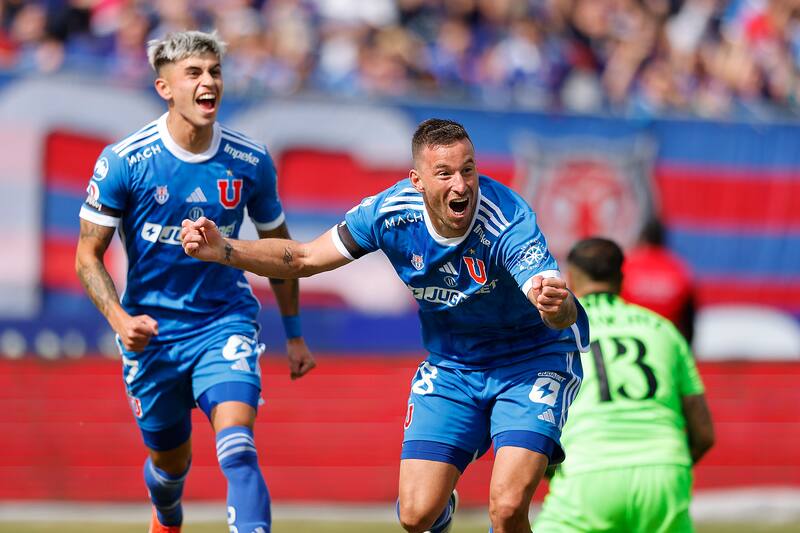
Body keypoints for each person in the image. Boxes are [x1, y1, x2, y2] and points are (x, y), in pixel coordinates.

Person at [181, 118, 590, 533]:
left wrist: (552, 306)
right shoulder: (388, 214)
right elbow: (304, 258)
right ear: (417, 181)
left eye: (468, 169)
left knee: (506, 507)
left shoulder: (507, 218)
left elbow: (560, 309)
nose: (462, 185)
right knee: (416, 515)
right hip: (453, 366)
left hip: (530, 362)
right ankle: (441, 504)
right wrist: (225, 249)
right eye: (445, 173)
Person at [74, 30, 315, 533]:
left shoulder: (250, 160)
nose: (209, 83)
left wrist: (293, 332)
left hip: (222, 322)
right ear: (165, 88)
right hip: (152, 334)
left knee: (238, 448)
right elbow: (86, 256)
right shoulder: (125, 161)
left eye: (215, 72)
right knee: (170, 465)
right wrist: (121, 321)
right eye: (195, 73)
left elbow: (283, 252)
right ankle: (166, 516)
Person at [534, 237, 715, 533]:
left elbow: (533, 417)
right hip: (663, 471)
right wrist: (667, 465)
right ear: (620, 277)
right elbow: (704, 434)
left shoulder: (557, 334)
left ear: (571, 277)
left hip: (589, 470)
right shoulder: (663, 329)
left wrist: (553, 471)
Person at [621, 217, 696, 343]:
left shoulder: (627, 264)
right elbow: (689, 319)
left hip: (631, 339)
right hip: (666, 340)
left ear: (642, 238)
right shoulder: (678, 267)